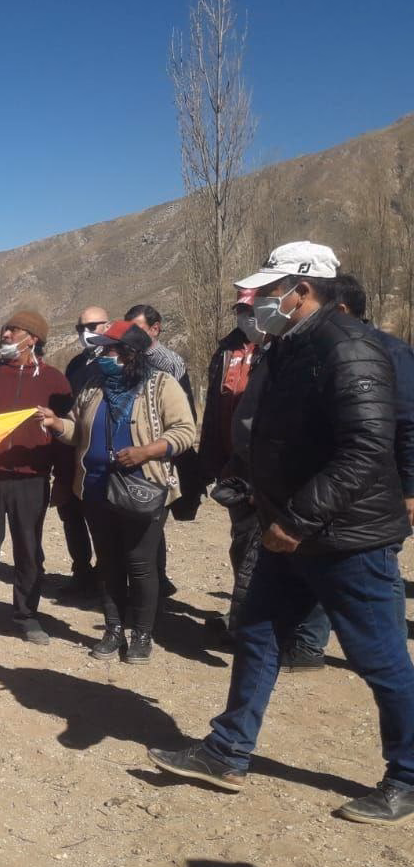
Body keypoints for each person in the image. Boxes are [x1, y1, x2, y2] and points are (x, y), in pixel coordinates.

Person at [147, 241, 414, 825]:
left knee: (380, 659)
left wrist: (296, 519)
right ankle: (227, 752)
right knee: (259, 636)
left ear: (304, 290)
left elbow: (367, 448)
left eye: (270, 291)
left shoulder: (351, 350)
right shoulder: (285, 349)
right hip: (286, 530)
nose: (260, 302)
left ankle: (408, 776)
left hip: (347, 537)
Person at [39, 320, 196, 663]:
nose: (104, 355)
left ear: (131, 352)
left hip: (144, 487)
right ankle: (113, 630)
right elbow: (77, 430)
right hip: (95, 487)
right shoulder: (94, 386)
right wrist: (56, 424)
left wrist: (148, 450)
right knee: (108, 563)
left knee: (140, 565)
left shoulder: (160, 385)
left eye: (110, 349)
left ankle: (142, 634)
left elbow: (185, 431)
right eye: (104, 349)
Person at [284, 272, 414, 672]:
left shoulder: (389, 353)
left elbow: (408, 425)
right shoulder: (316, 351)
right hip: (329, 483)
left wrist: (410, 489)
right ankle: (307, 645)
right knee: (322, 560)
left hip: (375, 491)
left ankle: (390, 660)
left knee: (377, 573)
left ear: (339, 310)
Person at [0, 311, 71, 647]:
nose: (5, 334)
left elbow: (65, 434)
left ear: (32, 338)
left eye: (13, 330)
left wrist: (63, 479)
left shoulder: (54, 381)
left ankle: (27, 616)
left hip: (32, 479)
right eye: (4, 328)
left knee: (29, 550)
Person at [197, 290, 267, 636]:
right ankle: (244, 615)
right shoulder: (226, 350)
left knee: (262, 549)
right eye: (241, 309)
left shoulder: (278, 349)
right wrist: (209, 458)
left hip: (266, 469)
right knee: (242, 544)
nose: (245, 315)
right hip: (231, 465)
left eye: (251, 309)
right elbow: (214, 408)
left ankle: (251, 626)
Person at [124, 304, 198, 597]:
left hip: (161, 453)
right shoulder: (127, 358)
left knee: (153, 519)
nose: (132, 335)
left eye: (138, 329)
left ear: (155, 329)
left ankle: (156, 584)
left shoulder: (170, 364)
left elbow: (181, 417)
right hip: (132, 452)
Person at [57, 307, 112, 594]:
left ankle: (106, 580)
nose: (85, 333)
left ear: (108, 325)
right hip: (71, 450)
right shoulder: (76, 364)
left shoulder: (116, 361)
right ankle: (81, 574)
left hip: (100, 455)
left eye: (92, 326)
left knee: (101, 521)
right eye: (80, 328)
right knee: (71, 514)